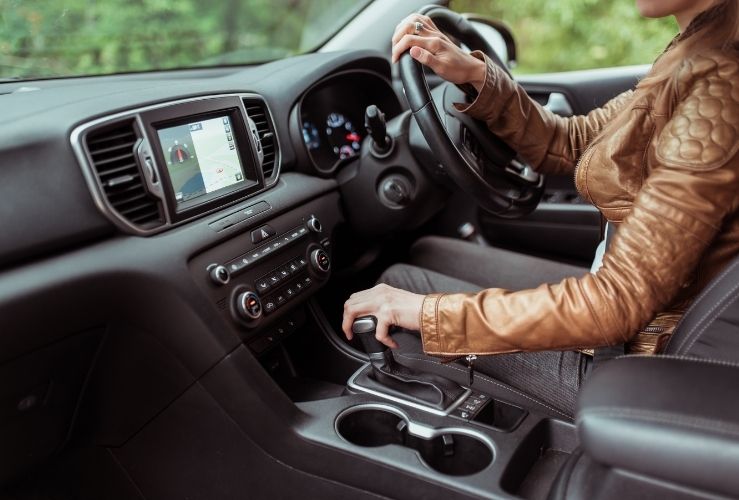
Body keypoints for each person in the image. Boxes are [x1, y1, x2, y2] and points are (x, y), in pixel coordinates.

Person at [341, 0, 739, 416]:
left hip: (638, 359)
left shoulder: (720, 85)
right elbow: (575, 141)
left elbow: (617, 303)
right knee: (426, 253)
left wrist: (427, 314)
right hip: (644, 311)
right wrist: (477, 76)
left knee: (399, 288)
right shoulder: (698, 47)